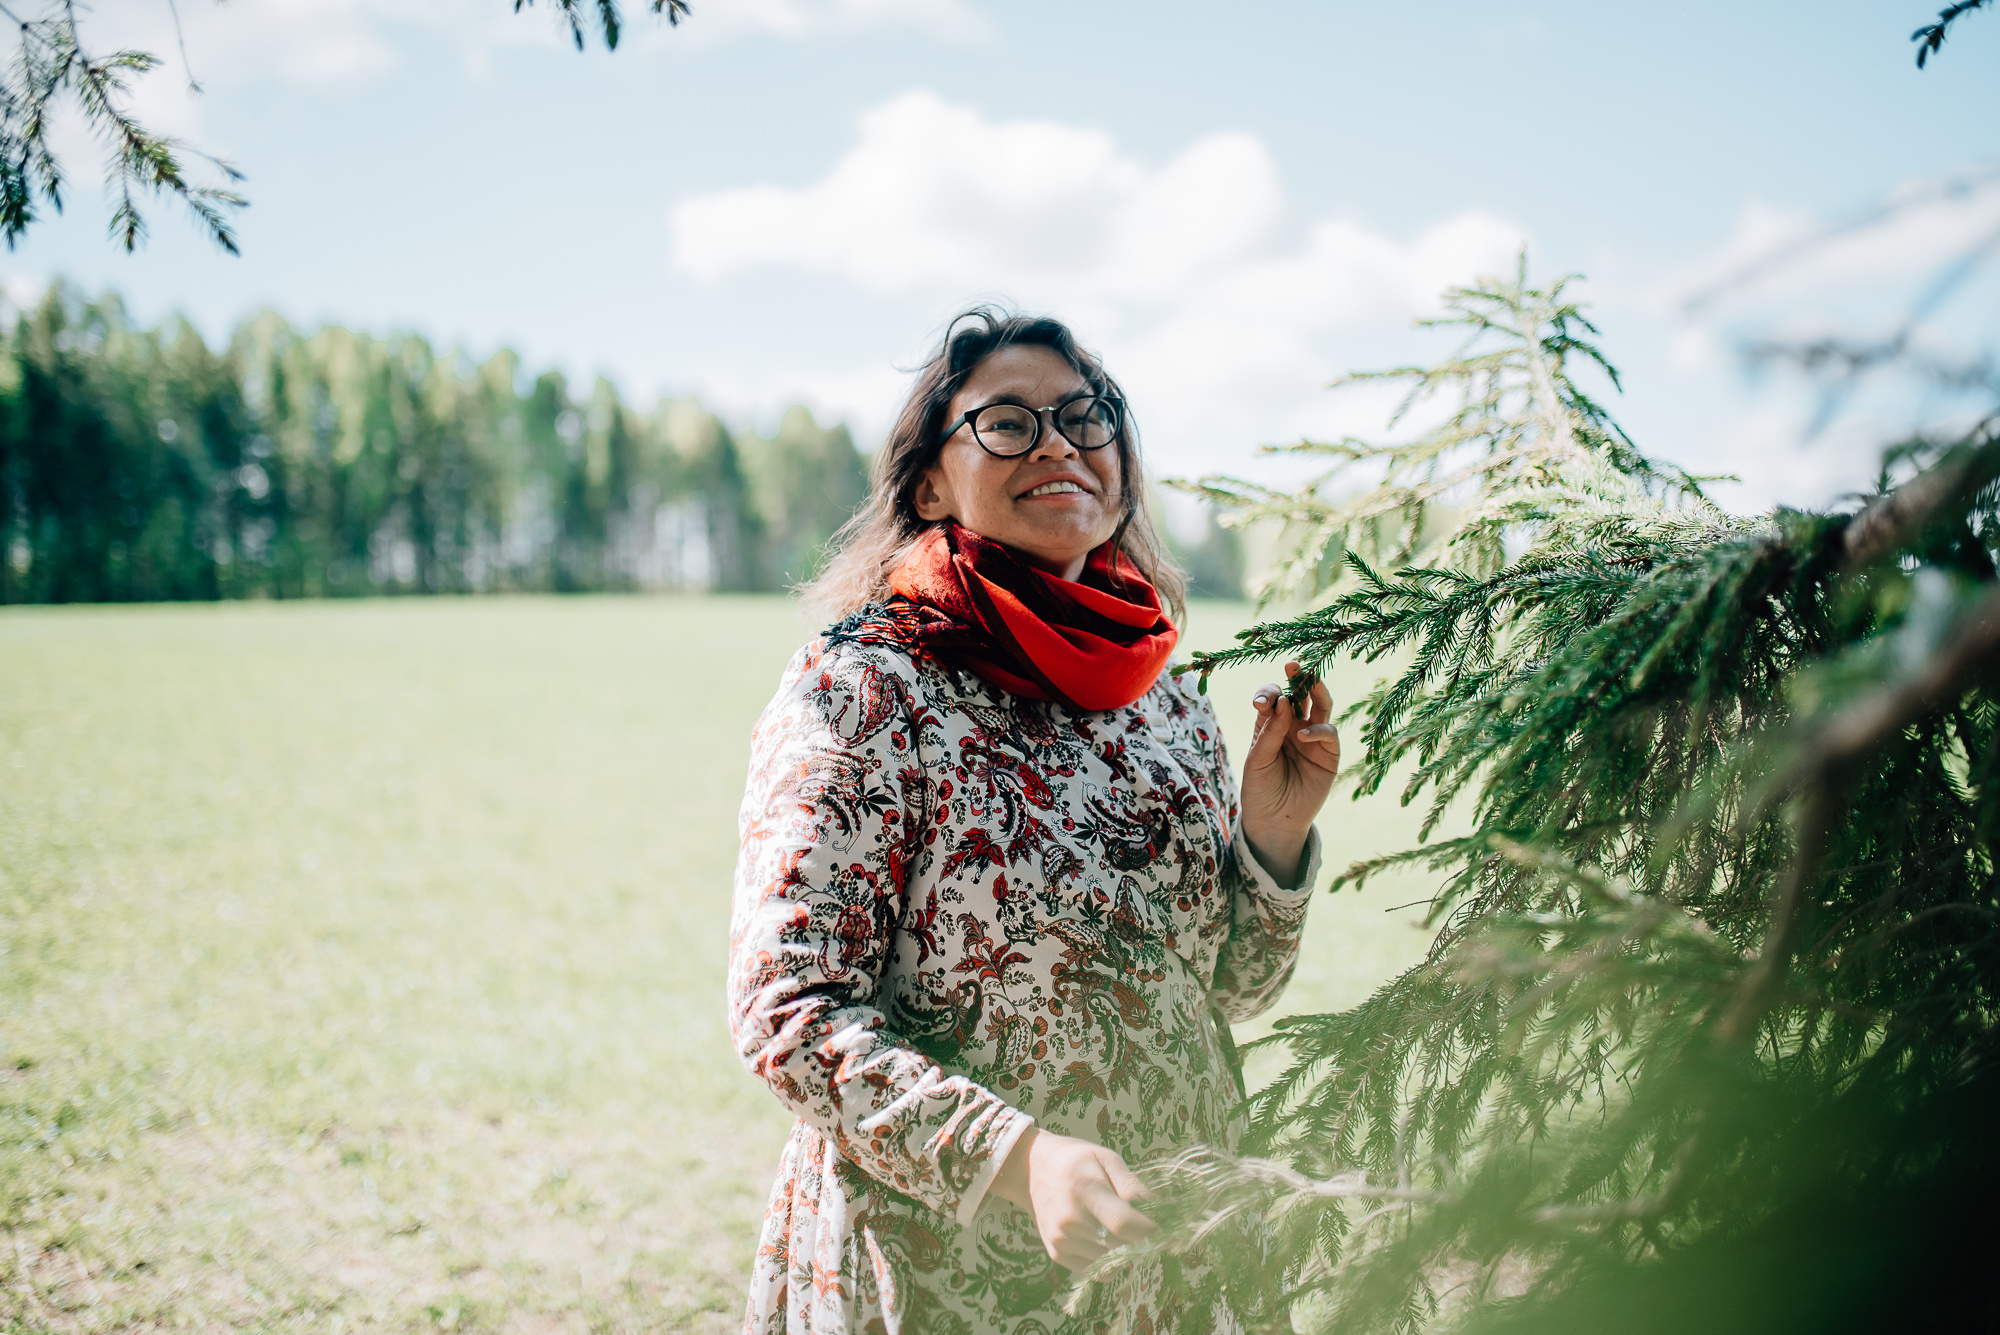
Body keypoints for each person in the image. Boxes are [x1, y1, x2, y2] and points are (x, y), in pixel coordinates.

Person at [727, 308, 1340, 1334]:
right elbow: (789, 1011)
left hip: (1169, 1262)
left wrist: (1272, 841)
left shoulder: (1166, 701)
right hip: (945, 1272)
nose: (1057, 443)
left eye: (1084, 417)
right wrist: (1017, 1159)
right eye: (1007, 423)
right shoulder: (865, 689)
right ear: (929, 484)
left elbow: (1226, 994)